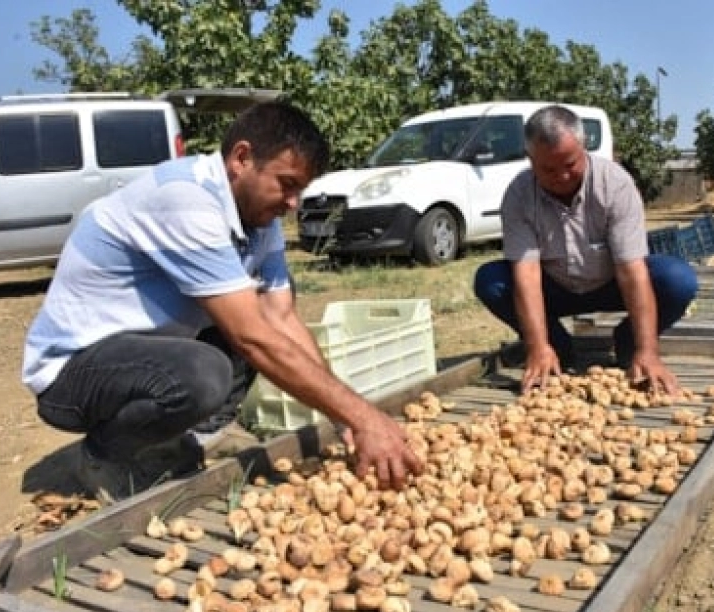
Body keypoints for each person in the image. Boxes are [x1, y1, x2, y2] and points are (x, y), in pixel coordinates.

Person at [22, 101, 423, 504]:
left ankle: (197, 435)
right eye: (287, 184)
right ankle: (104, 455)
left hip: (146, 354)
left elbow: (280, 318)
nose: (293, 204)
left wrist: (346, 420)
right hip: (72, 373)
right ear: (242, 158)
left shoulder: (257, 218)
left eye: (300, 190)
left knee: (257, 321)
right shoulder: (185, 198)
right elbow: (254, 339)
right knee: (206, 371)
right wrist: (364, 416)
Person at [473, 105, 698, 393]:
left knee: (678, 280)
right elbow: (526, 275)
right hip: (554, 289)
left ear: (584, 148)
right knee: (491, 280)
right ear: (531, 160)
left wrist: (649, 350)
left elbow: (631, 271)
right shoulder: (518, 195)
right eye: (548, 169)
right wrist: (537, 346)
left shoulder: (614, 184)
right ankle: (554, 349)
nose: (562, 177)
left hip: (611, 283)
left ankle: (631, 344)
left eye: (570, 164)